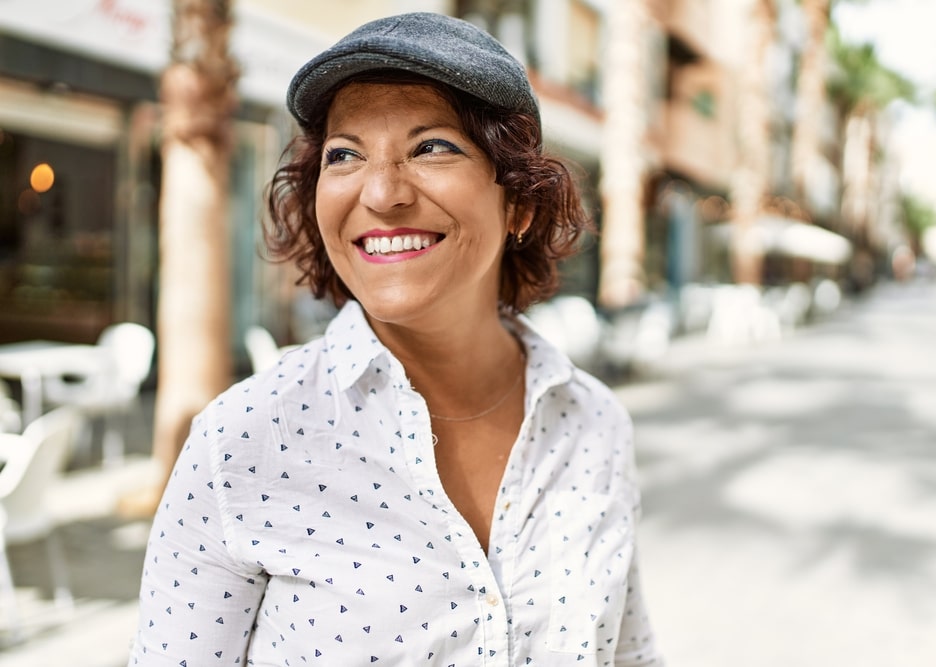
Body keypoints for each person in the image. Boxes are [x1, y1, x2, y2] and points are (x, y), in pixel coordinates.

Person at [129, 11, 664, 666]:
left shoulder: (595, 426)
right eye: (345, 154)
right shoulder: (240, 443)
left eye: (433, 146)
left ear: (519, 201)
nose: (380, 193)